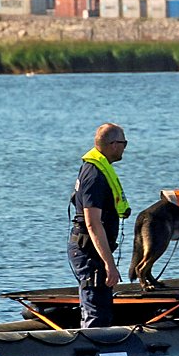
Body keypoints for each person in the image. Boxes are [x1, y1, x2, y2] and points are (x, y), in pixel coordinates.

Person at [67, 123, 130, 328]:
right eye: (124, 143)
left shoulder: (99, 168)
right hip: (88, 250)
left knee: (100, 304)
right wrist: (109, 265)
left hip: (93, 250)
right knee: (96, 310)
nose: (125, 148)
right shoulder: (94, 175)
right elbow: (93, 224)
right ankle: (93, 350)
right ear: (113, 144)